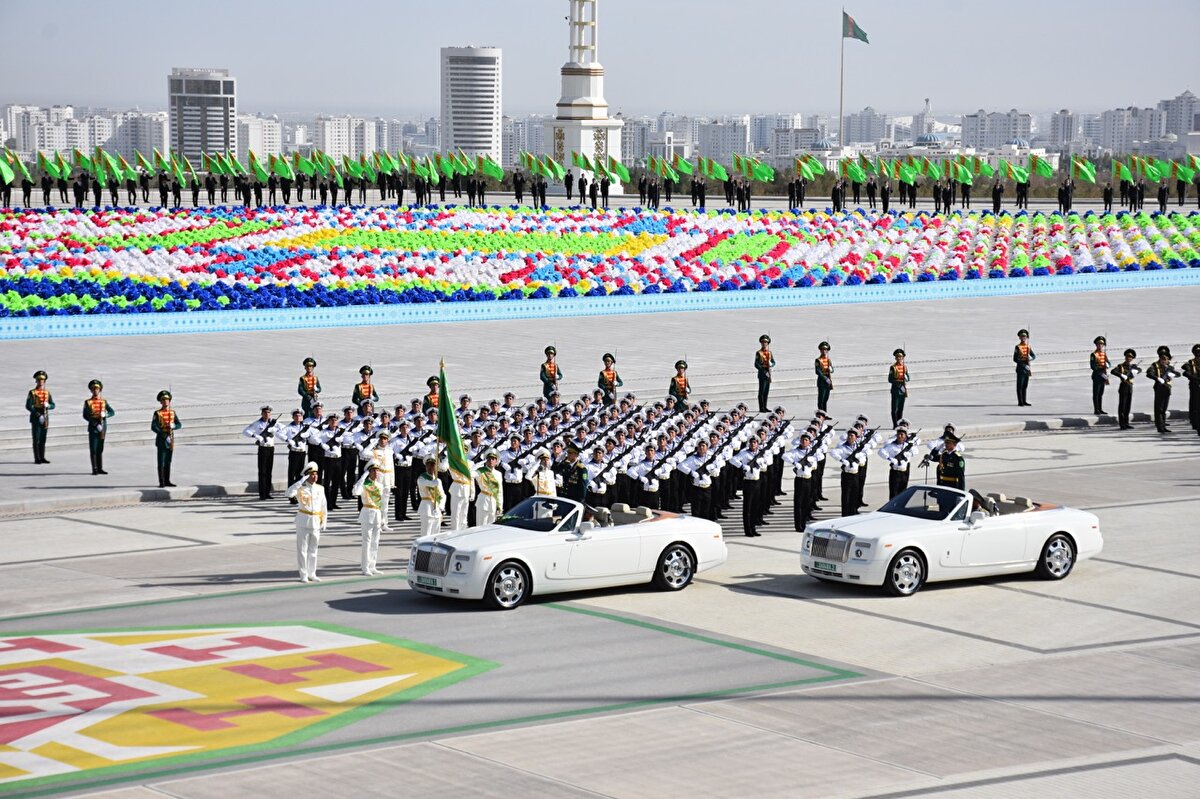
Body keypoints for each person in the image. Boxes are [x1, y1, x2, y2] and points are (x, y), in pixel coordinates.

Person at [287, 462, 327, 582]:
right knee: (302, 550)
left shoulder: (320, 488)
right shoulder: (300, 489)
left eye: (316, 474)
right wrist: (300, 481)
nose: (315, 476)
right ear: (306, 476)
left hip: (316, 521)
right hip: (303, 520)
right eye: (311, 474)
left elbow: (323, 506)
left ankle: (312, 573)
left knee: (313, 550)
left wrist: (324, 521)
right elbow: (288, 493)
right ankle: (303, 574)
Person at [352, 463, 385, 575]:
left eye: (377, 471)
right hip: (367, 513)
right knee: (367, 542)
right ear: (369, 472)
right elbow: (355, 492)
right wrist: (362, 478)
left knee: (375, 542)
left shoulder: (380, 486)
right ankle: (365, 567)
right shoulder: (364, 485)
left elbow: (382, 503)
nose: (376, 473)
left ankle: (372, 565)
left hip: (377, 514)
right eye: (373, 471)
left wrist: (383, 518)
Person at [242, 406, 279, 500]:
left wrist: (275, 430)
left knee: (269, 471)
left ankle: (267, 492)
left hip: (271, 448)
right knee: (262, 471)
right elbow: (245, 431)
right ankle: (262, 493)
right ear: (262, 414)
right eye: (265, 412)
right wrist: (256, 436)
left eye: (268, 412)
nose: (267, 414)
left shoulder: (274, 423)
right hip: (263, 448)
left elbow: (283, 430)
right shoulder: (258, 423)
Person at [830, 428, 867, 517]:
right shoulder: (843, 447)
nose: (850, 437)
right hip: (847, 474)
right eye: (849, 435)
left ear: (856, 437)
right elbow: (833, 453)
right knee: (846, 497)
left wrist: (860, 457)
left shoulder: (859, 447)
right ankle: (845, 515)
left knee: (854, 495)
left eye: (852, 436)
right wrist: (842, 460)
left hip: (855, 474)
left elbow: (867, 452)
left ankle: (853, 514)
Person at [82, 379, 114, 475]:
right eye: (93, 389)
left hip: (103, 428)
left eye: (97, 389)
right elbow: (85, 415)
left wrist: (105, 415)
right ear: (91, 391)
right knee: (94, 448)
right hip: (93, 428)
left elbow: (112, 412)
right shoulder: (88, 402)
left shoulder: (104, 402)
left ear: (100, 390)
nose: (95, 391)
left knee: (100, 448)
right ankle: (94, 468)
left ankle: (100, 468)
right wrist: (95, 424)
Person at [878, 427, 920, 499]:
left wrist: (909, 454)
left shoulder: (908, 446)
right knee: (894, 493)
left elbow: (916, 451)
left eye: (902, 434)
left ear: (905, 436)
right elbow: (880, 452)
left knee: (903, 493)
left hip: (904, 472)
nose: (900, 436)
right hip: (895, 472)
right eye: (898, 434)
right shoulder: (891, 445)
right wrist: (890, 458)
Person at [151, 390, 182, 487]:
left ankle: (167, 480)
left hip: (170, 440)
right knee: (161, 461)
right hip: (162, 440)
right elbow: (153, 426)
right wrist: (162, 433)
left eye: (167, 400)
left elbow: (179, 424)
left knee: (168, 461)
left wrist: (174, 426)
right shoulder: (157, 413)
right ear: (160, 402)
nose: (166, 402)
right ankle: (161, 482)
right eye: (163, 400)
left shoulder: (172, 413)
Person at [26, 370, 55, 464]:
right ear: (36, 381)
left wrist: (49, 406)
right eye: (39, 380)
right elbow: (28, 405)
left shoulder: (47, 393)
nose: (40, 382)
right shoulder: (32, 392)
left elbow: (53, 404)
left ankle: (42, 457)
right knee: (36, 438)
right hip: (36, 417)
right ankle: (37, 458)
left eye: (42, 380)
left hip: (45, 416)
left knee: (43, 438)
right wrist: (37, 414)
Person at [1145, 345, 1176, 433]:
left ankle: (1163, 425)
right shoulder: (1155, 365)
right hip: (1159, 388)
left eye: (1165, 359)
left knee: (1164, 408)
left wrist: (1173, 374)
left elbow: (1178, 374)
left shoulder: (1169, 367)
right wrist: (1157, 378)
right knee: (1159, 408)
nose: (1164, 360)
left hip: (1167, 388)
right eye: (1162, 358)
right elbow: (1149, 373)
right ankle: (1159, 426)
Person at [1110, 348, 1141, 430]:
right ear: (1125, 357)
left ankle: (1126, 423)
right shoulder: (1121, 366)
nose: (1129, 358)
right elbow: (1113, 371)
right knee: (1122, 406)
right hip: (1123, 386)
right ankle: (1122, 424)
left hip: (1130, 386)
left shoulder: (1133, 366)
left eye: (1130, 357)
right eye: (1127, 356)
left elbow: (1139, 369)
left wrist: (1136, 371)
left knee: (1128, 406)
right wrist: (1121, 375)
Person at [417, 456, 445, 537]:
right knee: (426, 533)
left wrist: (440, 507)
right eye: (428, 465)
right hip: (427, 507)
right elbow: (425, 483)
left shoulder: (438, 480)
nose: (430, 467)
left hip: (437, 508)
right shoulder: (421, 478)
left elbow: (443, 495)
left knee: (436, 534)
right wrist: (433, 483)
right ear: (425, 466)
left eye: (432, 465)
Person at [474, 450, 504, 526]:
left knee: (491, 527)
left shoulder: (498, 474)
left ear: (496, 461)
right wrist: (477, 465)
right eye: (489, 459)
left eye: (493, 459)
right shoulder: (480, 471)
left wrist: (500, 505)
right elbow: (469, 474)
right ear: (486, 460)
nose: (491, 460)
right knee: (481, 525)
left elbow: (500, 491)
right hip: (483, 500)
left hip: (493, 501)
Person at [1013, 328, 1035, 406]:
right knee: (1020, 385)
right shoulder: (1017, 347)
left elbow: (1033, 355)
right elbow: (1015, 359)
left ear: (1027, 337)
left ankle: (1024, 401)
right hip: (1021, 368)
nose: (1023, 338)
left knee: (1025, 385)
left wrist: (1030, 358)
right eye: (1022, 336)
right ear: (1019, 337)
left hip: (1027, 369)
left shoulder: (1028, 346)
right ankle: (1020, 402)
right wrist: (1024, 365)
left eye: (1024, 337)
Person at [888, 348, 909, 427]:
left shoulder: (904, 367)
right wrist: (898, 381)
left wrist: (905, 377)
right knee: (894, 409)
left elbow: (909, 378)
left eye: (901, 357)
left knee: (900, 408)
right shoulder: (893, 367)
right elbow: (890, 379)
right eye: (897, 357)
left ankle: (900, 423)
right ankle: (895, 424)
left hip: (902, 389)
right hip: (896, 389)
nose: (899, 358)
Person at [1089, 336, 1110, 415]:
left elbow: (1108, 362)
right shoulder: (1093, 354)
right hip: (1097, 375)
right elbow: (1093, 366)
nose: (1100, 345)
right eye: (1099, 344)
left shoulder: (1104, 354)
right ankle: (1096, 409)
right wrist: (1100, 370)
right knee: (1096, 393)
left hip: (1103, 375)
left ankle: (1100, 409)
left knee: (1101, 393)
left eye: (1102, 344)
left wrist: (1107, 365)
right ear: (1096, 345)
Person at [1183, 343, 1200, 437]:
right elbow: (1185, 372)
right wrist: (1195, 379)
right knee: (1195, 406)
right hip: (1195, 387)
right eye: (1197, 353)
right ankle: (1195, 424)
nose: (1199, 355)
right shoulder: (1191, 362)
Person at [754, 335, 774, 413]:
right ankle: (761, 407)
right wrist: (761, 369)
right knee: (761, 391)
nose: (764, 344)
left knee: (766, 391)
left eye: (765, 342)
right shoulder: (759, 353)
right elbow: (756, 363)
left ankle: (765, 406)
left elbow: (773, 361)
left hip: (768, 372)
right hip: (762, 372)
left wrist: (771, 364)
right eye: (763, 342)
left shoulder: (769, 352)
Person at [815, 341, 834, 413]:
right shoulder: (818, 360)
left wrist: (831, 369)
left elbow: (832, 369)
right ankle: (820, 413)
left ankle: (825, 413)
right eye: (822, 349)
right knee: (821, 399)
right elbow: (818, 371)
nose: (824, 351)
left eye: (825, 350)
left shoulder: (828, 360)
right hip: (822, 381)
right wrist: (825, 378)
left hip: (828, 380)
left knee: (826, 398)